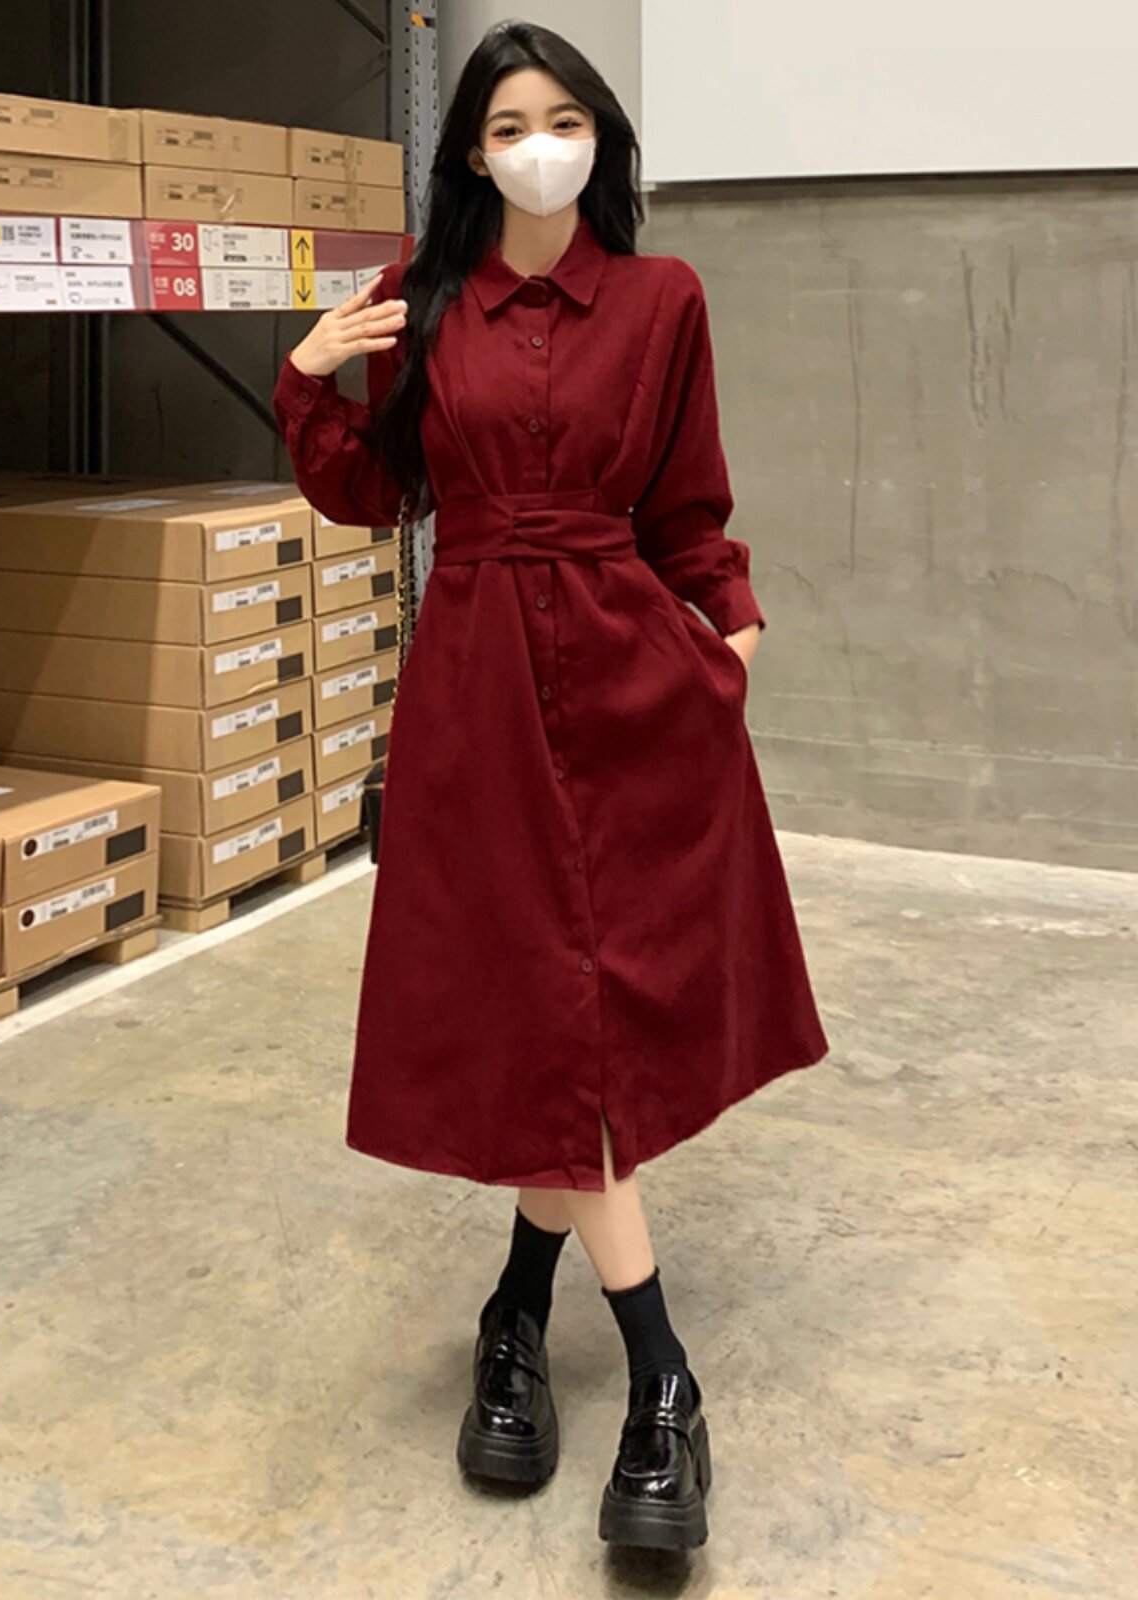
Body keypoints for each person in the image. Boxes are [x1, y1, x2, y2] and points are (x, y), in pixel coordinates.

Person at [273, 20, 829, 1553]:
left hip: (631, 676)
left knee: (583, 1014)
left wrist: (731, 638)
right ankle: (646, 1369)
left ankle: (549, 1331)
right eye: (510, 123)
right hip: (477, 697)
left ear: (602, 141)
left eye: (566, 119)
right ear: (471, 150)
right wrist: (308, 376)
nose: (539, 146)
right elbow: (373, 491)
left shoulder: (662, 300)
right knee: (540, 1003)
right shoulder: (423, 302)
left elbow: (687, 507)